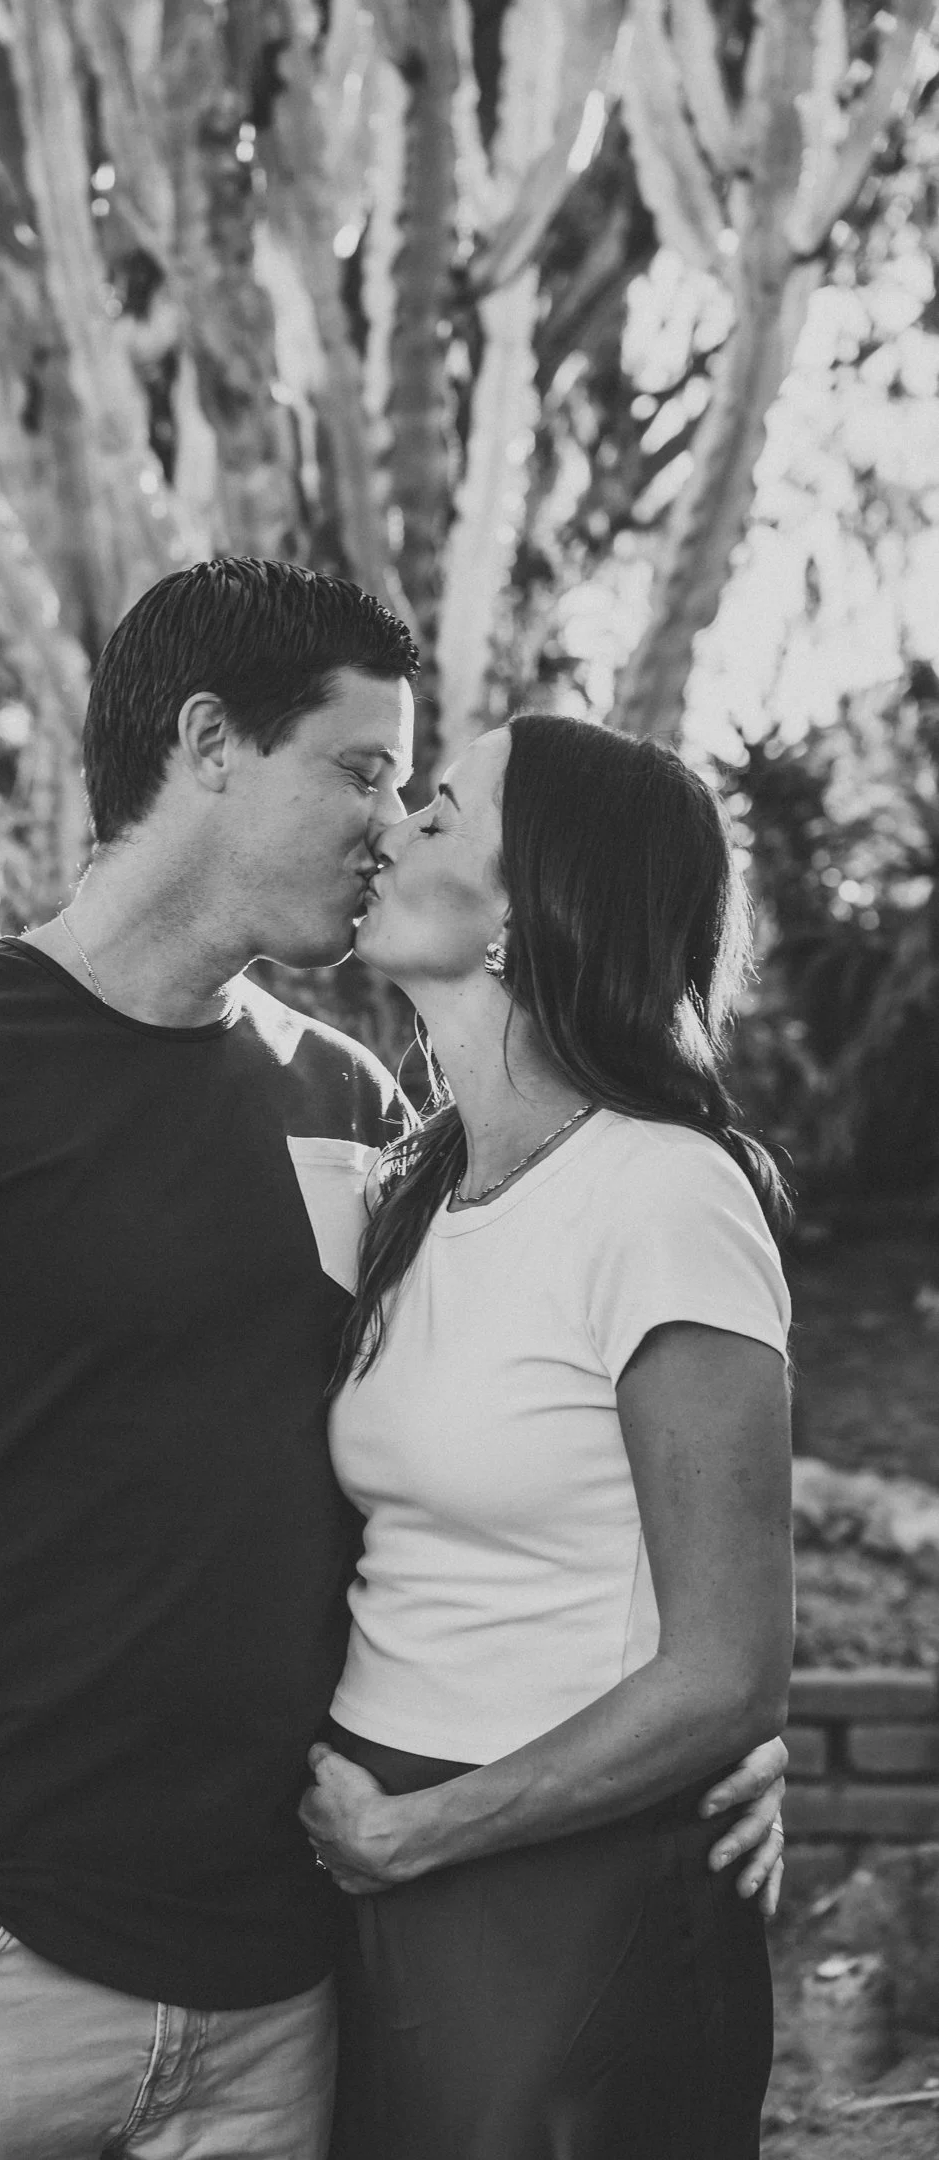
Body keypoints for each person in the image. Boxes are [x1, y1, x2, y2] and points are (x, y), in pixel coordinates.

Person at [0, 564, 785, 2160]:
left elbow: (521, 1448)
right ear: (209, 743)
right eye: (361, 771)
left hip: (286, 1985)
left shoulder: (359, 1116)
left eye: (416, 793)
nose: (387, 821)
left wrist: (709, 1748)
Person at [300, 712, 794, 2160]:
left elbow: (727, 1672)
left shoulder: (663, 1196)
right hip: (373, 1862)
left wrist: (422, 1835)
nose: (392, 825)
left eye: (441, 809)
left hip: (563, 1897)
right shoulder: (420, 1188)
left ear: (534, 905)